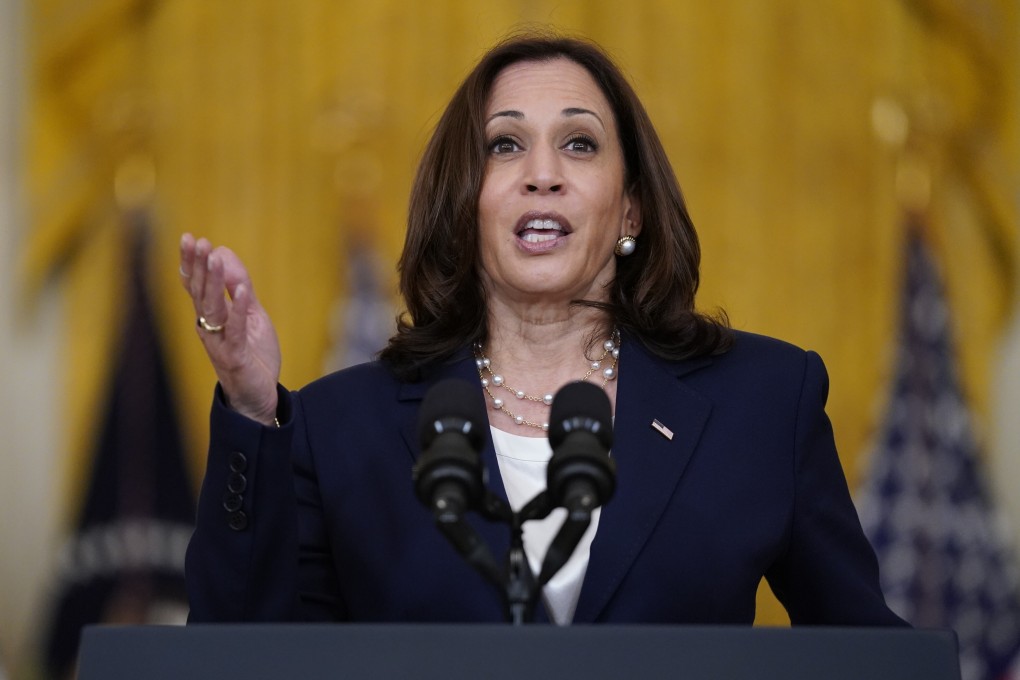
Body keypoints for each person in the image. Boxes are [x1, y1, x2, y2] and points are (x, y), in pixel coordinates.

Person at [179, 33, 905, 626]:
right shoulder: (341, 426)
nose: (543, 173)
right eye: (504, 145)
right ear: (464, 204)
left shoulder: (763, 403)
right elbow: (243, 657)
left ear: (631, 209)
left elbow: (869, 659)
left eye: (580, 143)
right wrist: (251, 409)